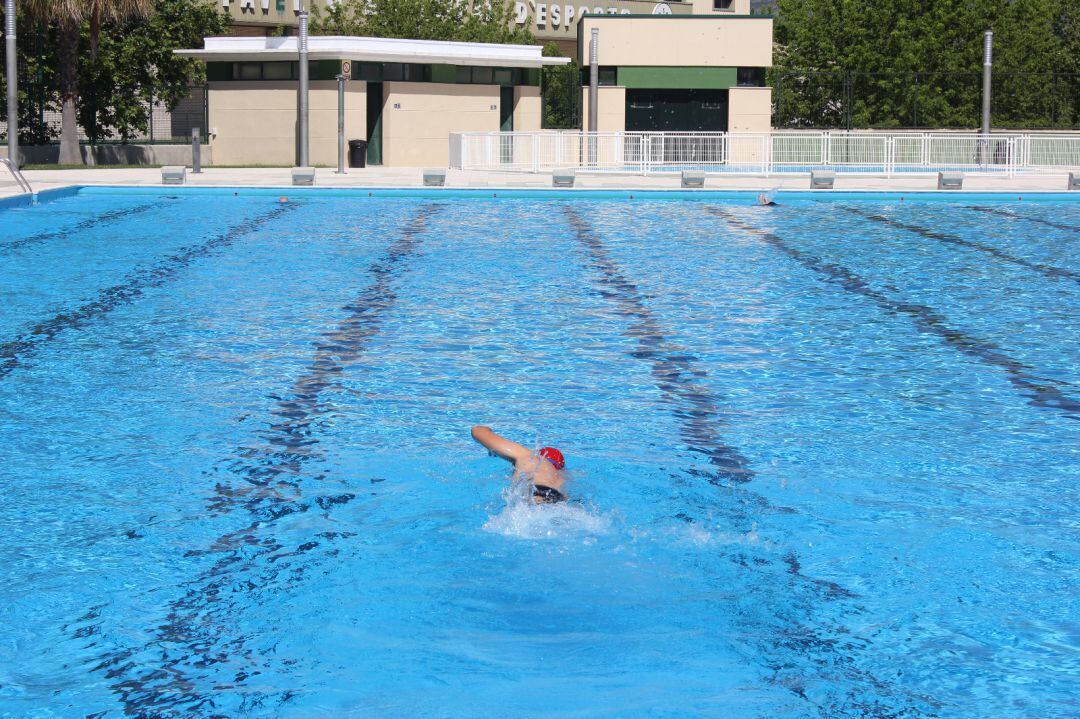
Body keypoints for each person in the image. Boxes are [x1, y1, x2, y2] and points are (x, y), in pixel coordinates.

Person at [471, 425, 567, 503]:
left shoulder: (530, 457)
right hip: (558, 499)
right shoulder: (561, 478)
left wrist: (491, 444)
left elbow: (477, 432)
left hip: (535, 492)